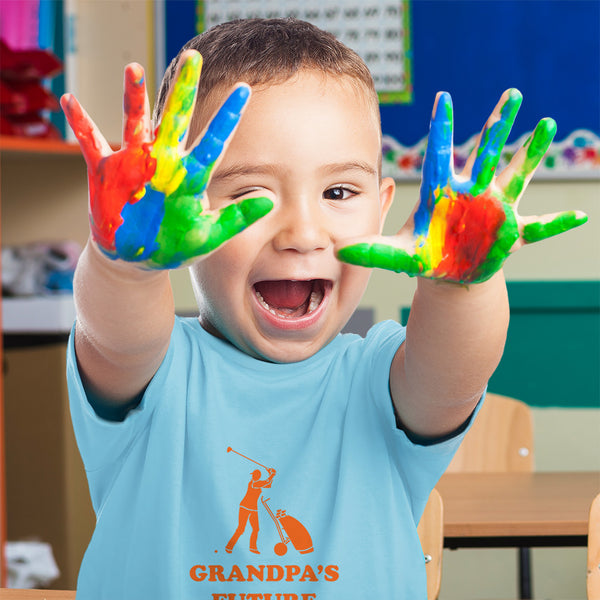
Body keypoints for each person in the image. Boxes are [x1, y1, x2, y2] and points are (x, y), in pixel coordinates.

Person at [61, 18, 586, 599]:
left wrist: (462, 283)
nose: (302, 232)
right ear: (178, 205)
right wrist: (124, 263)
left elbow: (457, 370)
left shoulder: (382, 381)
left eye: (339, 193)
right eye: (250, 193)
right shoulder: (153, 371)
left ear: (381, 210)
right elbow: (115, 332)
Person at [226, 468, 276, 554]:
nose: (253, 476)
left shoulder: (258, 483)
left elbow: (268, 485)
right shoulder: (254, 483)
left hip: (253, 509)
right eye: (253, 475)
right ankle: (229, 546)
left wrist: (271, 475)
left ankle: (252, 548)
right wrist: (272, 474)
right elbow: (266, 482)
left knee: (256, 529)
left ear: (258, 476)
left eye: (254, 475)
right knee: (241, 529)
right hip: (245, 507)